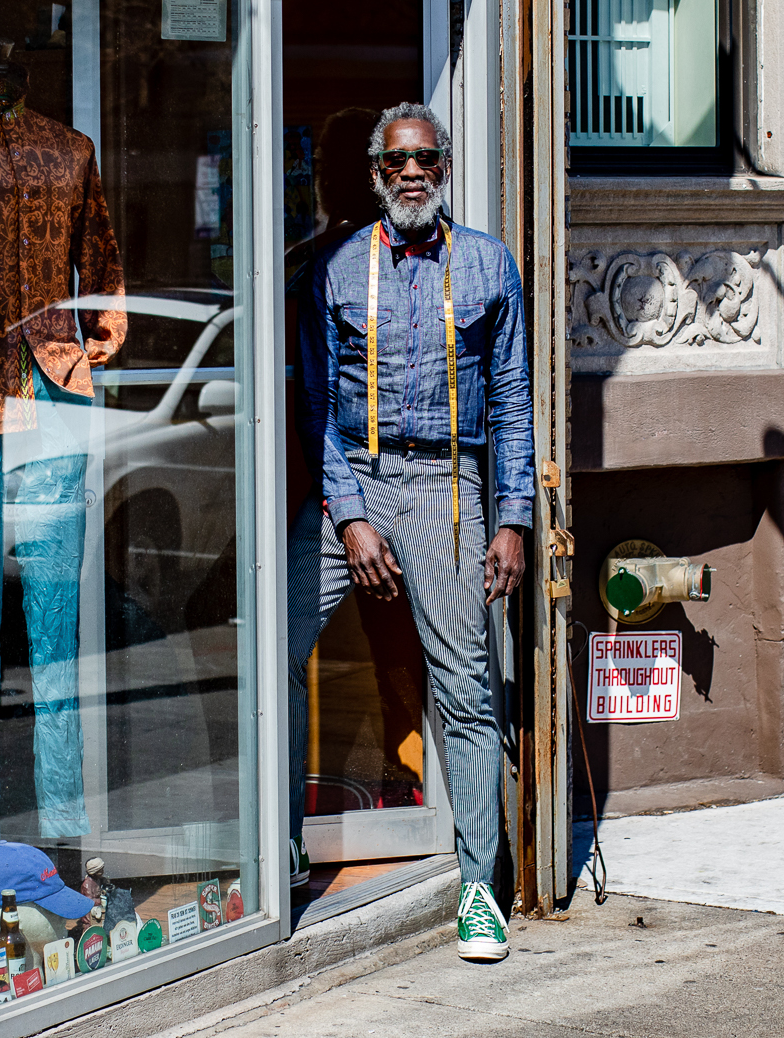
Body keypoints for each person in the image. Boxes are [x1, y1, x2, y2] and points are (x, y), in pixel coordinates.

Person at [290, 102, 536, 962]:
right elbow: (314, 408)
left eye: (426, 157)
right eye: (397, 162)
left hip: (446, 485)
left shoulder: (485, 265)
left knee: (466, 686)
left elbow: (510, 401)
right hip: (354, 477)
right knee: (276, 648)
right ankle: (280, 852)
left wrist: (512, 519)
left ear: (445, 166)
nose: (412, 173)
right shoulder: (333, 269)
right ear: (374, 173)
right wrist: (350, 514)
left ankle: (480, 891)